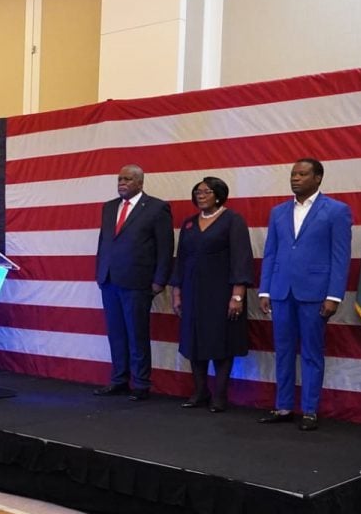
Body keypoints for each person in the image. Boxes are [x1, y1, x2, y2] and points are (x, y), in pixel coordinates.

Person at [257, 158, 352, 431]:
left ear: (318, 178)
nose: (295, 178)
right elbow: (271, 252)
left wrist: (334, 295)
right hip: (281, 291)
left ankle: (309, 409)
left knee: (311, 352)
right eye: (293, 174)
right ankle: (284, 406)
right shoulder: (278, 212)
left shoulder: (336, 210)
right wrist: (265, 289)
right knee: (283, 351)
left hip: (315, 293)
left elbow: (340, 256)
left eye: (302, 174)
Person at [170, 177, 253, 413]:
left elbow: (241, 258)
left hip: (221, 292)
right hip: (192, 292)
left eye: (206, 191)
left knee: (221, 341)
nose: (200, 195)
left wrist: (237, 295)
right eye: (197, 191)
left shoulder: (232, 220)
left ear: (218, 194)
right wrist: (177, 293)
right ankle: (199, 391)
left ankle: (220, 395)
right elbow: (181, 259)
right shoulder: (188, 223)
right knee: (193, 340)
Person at [93, 164, 174, 401]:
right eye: (119, 179)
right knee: (116, 333)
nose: (122, 182)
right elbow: (104, 242)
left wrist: (160, 280)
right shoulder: (109, 208)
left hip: (138, 281)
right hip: (109, 280)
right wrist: (100, 272)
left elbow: (165, 247)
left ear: (140, 182)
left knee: (137, 333)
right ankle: (119, 380)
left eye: (127, 179)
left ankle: (140, 384)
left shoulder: (157, 208)